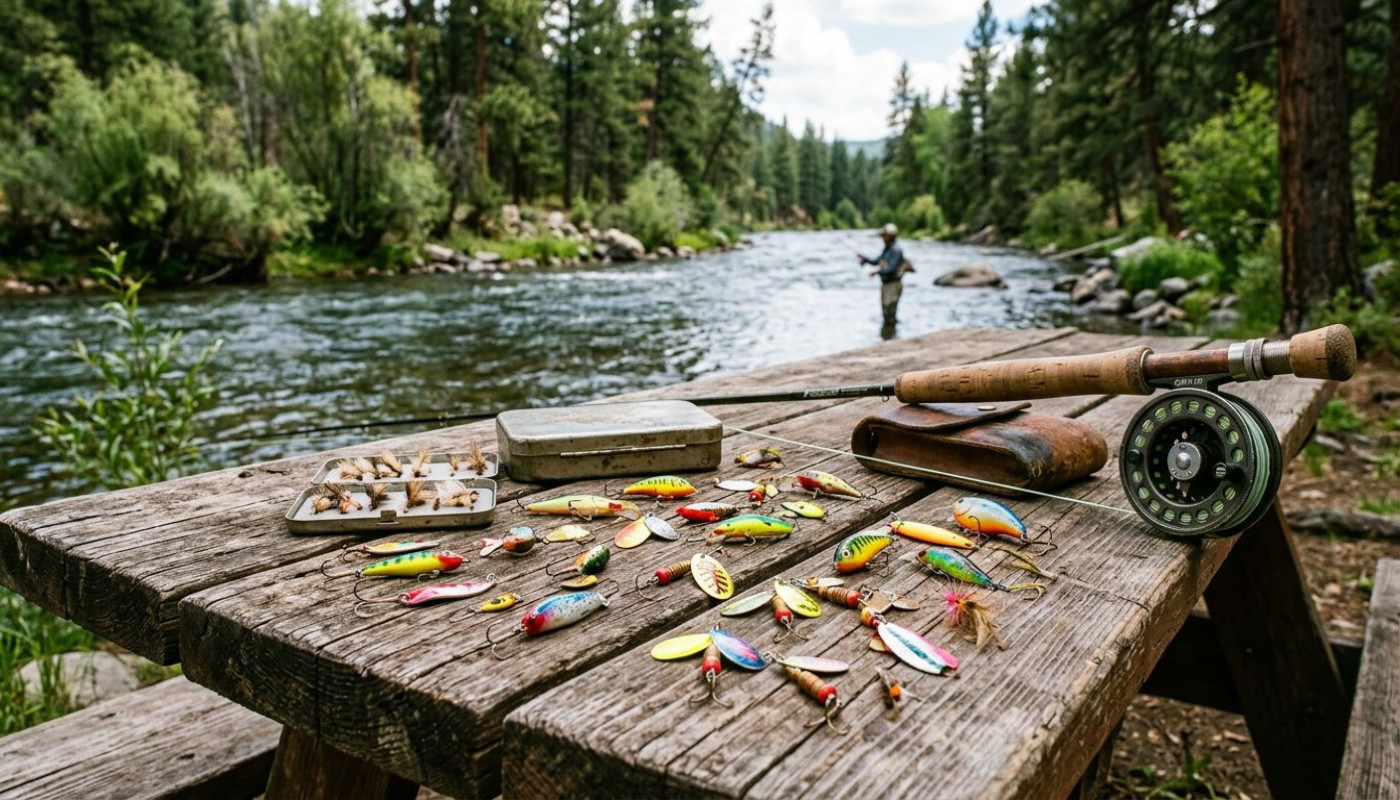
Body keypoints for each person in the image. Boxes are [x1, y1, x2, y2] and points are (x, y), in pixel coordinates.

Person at [857, 223, 913, 327]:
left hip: (893, 285)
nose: (882, 238)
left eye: (884, 235)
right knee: (886, 314)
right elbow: (877, 261)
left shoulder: (896, 250)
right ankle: (890, 336)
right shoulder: (887, 249)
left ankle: (892, 339)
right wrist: (865, 259)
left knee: (890, 314)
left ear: (891, 236)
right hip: (887, 285)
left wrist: (877, 272)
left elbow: (891, 268)